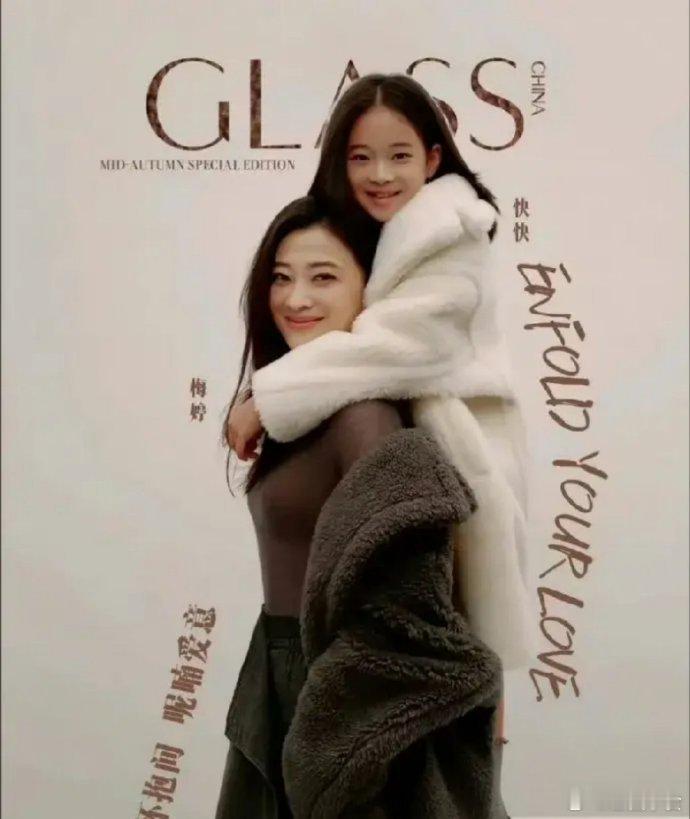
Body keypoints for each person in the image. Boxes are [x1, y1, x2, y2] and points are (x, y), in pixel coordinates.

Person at [226, 74, 536, 728]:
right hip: (418, 459)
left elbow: (399, 346)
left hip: (460, 454)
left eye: (399, 155)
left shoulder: (448, 230)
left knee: (449, 617)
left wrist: (268, 397)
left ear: (433, 158)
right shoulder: (377, 235)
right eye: (360, 157)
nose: (380, 174)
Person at [215, 195, 416, 819]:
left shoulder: (365, 419)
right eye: (281, 277)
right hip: (282, 673)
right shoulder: (294, 411)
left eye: (323, 277)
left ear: (370, 290)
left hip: (340, 694)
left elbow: (413, 598)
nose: (295, 298)